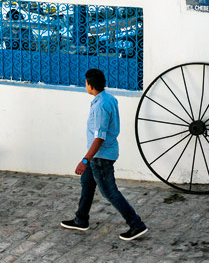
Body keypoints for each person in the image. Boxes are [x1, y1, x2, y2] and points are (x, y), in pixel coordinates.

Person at [61, 68, 148, 241]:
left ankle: (136, 224)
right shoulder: (108, 98)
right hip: (101, 154)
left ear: (90, 85)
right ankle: (81, 219)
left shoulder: (100, 106)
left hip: (100, 157)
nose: (85, 85)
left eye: (86, 83)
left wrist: (85, 160)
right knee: (87, 183)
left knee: (110, 192)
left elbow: (99, 137)